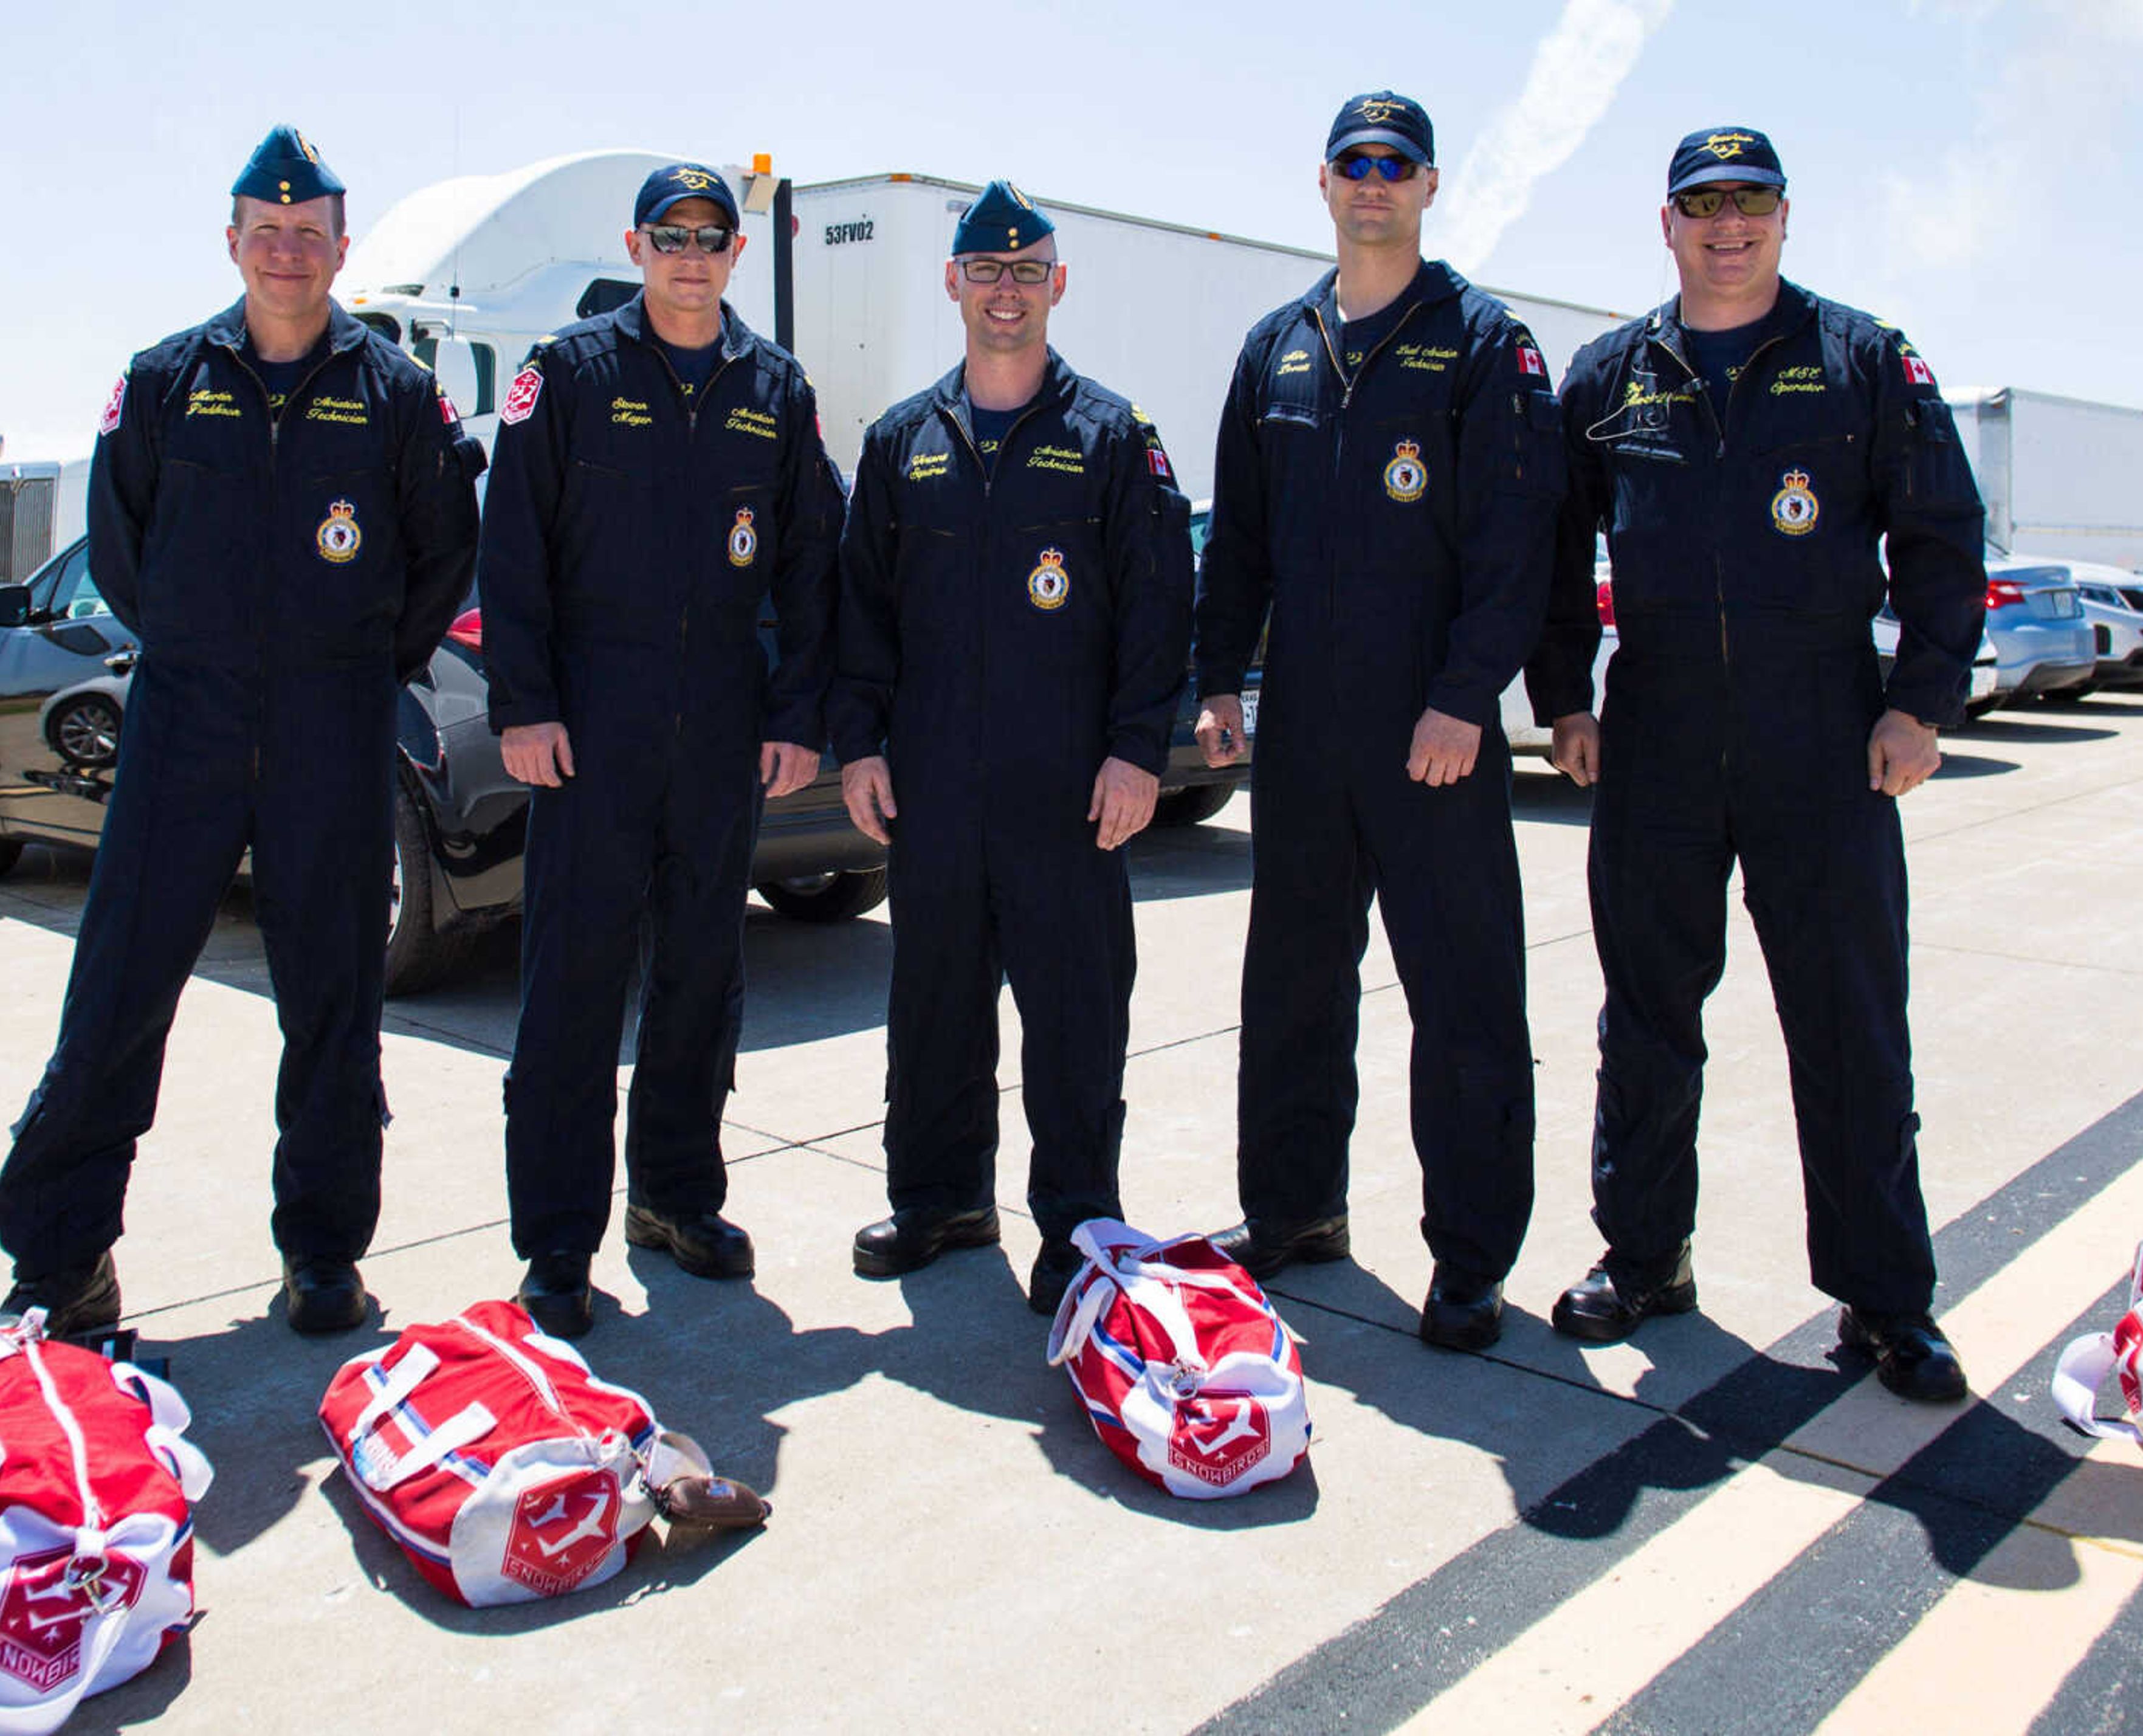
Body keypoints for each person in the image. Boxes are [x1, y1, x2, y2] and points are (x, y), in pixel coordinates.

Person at [0, 126, 483, 1339]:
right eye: (267, 229)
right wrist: (211, 660)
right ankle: (63, 1262)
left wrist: (356, 667)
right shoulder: (164, 380)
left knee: (333, 1002)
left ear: (340, 247)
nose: (288, 250)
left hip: (332, 728)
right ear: (234, 240)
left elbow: (441, 556)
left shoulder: (397, 398)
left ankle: (322, 1255)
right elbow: (122, 551)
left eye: (309, 232)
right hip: (185, 728)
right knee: (118, 993)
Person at [1526, 127, 1986, 1402]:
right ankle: (1646, 1258)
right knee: (1649, 1020)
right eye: (1704, 204)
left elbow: (1942, 538)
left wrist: (1920, 704)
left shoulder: (1863, 360)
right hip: (1660, 737)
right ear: (1665, 223)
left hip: (1823, 740)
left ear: (1787, 216)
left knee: (1849, 1026)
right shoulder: (1612, 375)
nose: (1729, 224)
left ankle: (1886, 1301)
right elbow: (1553, 557)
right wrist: (1565, 698)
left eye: (1752, 203)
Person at [1192, 92, 1563, 1352]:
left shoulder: (1480, 343)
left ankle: (1470, 1259)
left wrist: (1466, 697)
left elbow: (1520, 548)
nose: (1373, 183)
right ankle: (1294, 1212)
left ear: (1429, 185)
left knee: (1462, 998)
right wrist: (1217, 681)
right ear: (1325, 182)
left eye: (1394, 164)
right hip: (1304, 722)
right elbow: (1238, 542)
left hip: (1432, 735)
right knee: (1292, 984)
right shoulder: (1276, 347)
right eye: (1354, 163)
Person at [480, 162, 842, 1338]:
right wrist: (523, 704)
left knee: (701, 976)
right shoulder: (571, 375)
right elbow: (513, 548)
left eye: (712, 236)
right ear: (636, 247)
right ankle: (557, 1241)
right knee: (574, 987)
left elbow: (811, 566)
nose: (692, 255)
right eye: (670, 235)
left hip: (721, 735)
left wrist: (796, 717)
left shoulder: (773, 388)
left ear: (737, 253)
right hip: (590, 732)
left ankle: (677, 1199)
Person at [833, 180, 1194, 1316]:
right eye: (985, 271)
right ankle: (940, 1199)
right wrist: (860, 744)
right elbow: (862, 614)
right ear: (952, 282)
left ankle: (1078, 1221)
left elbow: (1158, 608)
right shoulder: (903, 443)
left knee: (1075, 1016)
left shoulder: (1113, 437)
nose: (1005, 291)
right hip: (936, 787)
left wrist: (1140, 751)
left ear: (1058, 285)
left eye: (1026, 271)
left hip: (1071, 793)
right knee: (933, 1006)